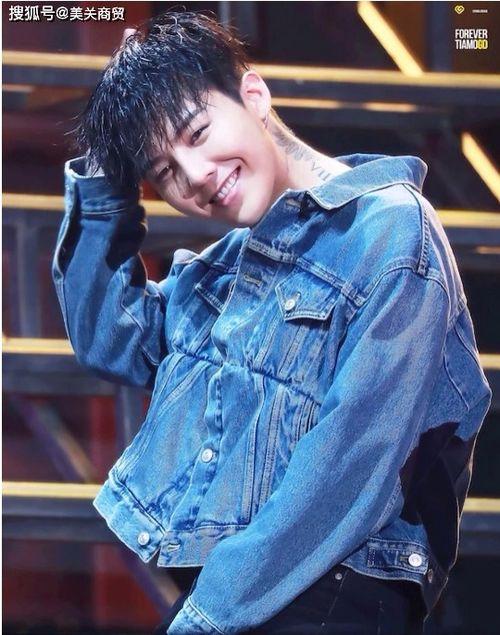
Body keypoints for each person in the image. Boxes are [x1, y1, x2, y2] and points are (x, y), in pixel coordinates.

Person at [52, 10, 492, 635]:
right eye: (165, 171)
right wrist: (105, 171)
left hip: (335, 591)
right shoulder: (233, 264)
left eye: (198, 132)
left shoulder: (390, 230)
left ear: (254, 96)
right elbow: (112, 338)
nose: (195, 176)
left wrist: (207, 617)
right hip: (250, 594)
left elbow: (348, 470)